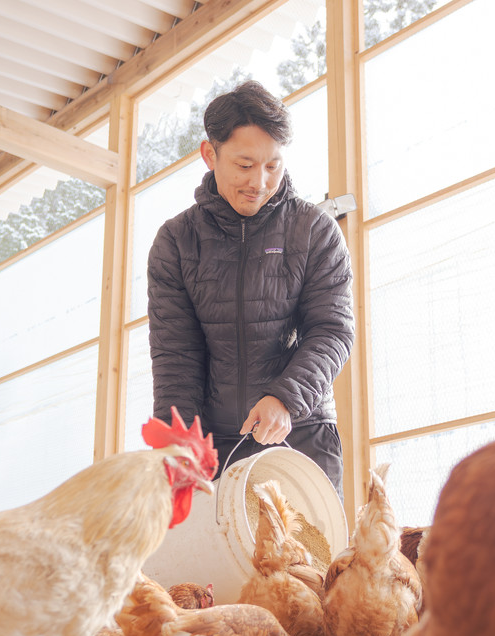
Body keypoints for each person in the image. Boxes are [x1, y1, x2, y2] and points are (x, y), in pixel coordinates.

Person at [147, 80, 354, 496]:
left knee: (307, 561)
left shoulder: (314, 230)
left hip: (301, 434)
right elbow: (176, 356)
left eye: (273, 165)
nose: (259, 181)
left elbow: (333, 330)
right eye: (244, 165)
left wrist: (285, 398)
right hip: (216, 447)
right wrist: (177, 446)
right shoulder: (175, 242)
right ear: (210, 154)